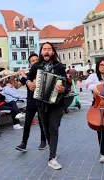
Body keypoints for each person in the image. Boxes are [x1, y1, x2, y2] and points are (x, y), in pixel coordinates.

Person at [26, 42, 69, 170]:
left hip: (56, 104)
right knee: (46, 129)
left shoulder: (59, 67)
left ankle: (52, 158)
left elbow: (67, 84)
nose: (46, 51)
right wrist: (29, 83)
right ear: (41, 52)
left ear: (53, 52)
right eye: (44, 49)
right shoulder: (36, 66)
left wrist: (63, 89)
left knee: (54, 128)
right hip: (41, 103)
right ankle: (52, 151)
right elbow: (28, 77)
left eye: (49, 49)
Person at [14, 53, 47, 152]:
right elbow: (17, 86)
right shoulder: (28, 75)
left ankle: (43, 141)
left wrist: (24, 76)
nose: (35, 62)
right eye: (33, 61)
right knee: (27, 123)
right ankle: (23, 143)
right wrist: (12, 79)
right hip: (31, 102)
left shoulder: (42, 73)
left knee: (42, 123)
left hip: (41, 101)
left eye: (37, 60)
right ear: (30, 64)